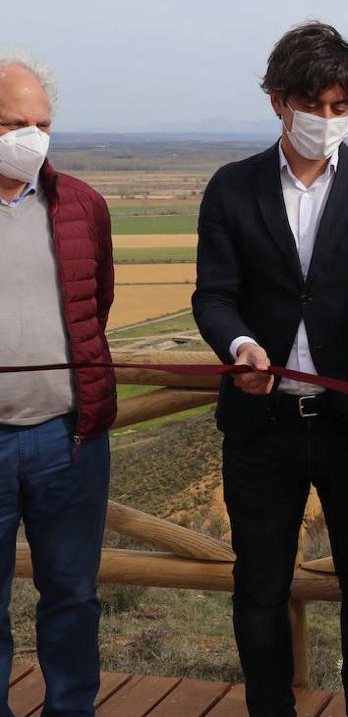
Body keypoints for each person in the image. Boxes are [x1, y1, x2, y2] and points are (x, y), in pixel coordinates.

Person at [192, 22, 348, 716]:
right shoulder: (231, 188)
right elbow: (214, 295)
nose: (326, 120)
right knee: (258, 586)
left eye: (340, 106)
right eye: (312, 104)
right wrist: (240, 349)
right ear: (277, 101)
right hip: (263, 426)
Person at [0, 49, 115, 715]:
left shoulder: (83, 206)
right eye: (16, 122)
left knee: (72, 597)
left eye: (41, 124)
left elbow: (91, 309)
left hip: (66, 440)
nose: (31, 138)